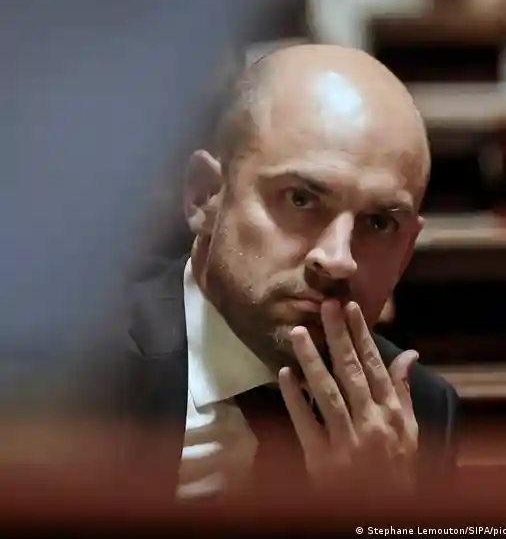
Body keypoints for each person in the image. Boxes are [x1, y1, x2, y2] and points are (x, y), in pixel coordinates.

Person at [99, 44, 459, 503]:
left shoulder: (413, 417)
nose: (338, 258)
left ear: (407, 249)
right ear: (206, 196)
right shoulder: (72, 368)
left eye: (378, 223)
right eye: (301, 199)